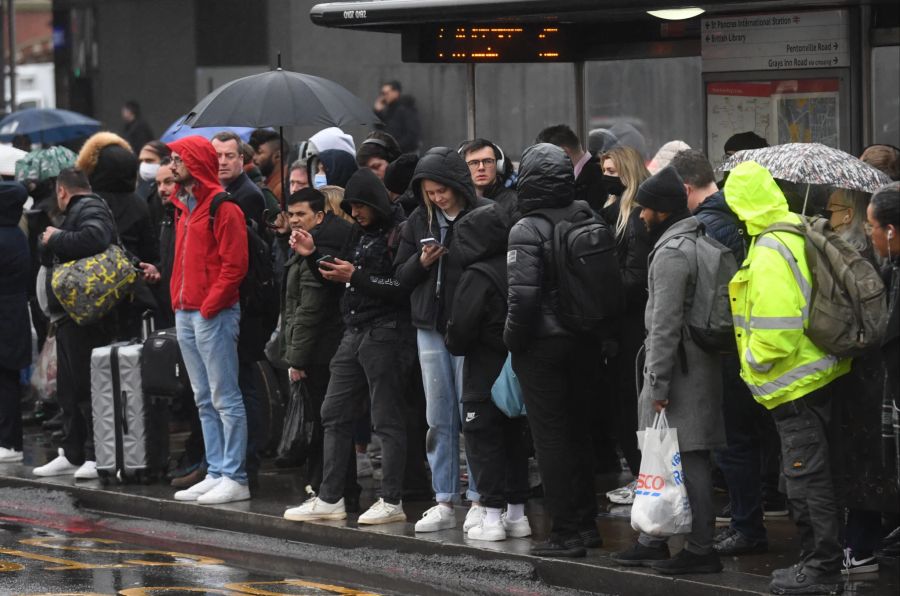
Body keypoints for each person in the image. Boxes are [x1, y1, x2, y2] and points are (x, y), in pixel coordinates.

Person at [725, 160, 851, 595]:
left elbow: (777, 329)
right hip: (816, 377)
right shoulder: (793, 232)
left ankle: (820, 570)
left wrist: (755, 365)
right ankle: (821, 564)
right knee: (816, 478)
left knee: (806, 481)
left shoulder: (770, 249)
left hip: (794, 383)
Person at [283, 168, 416, 525]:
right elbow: (338, 276)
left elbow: (400, 283)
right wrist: (314, 256)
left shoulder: (399, 231)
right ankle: (330, 497)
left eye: (361, 206)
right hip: (353, 330)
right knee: (333, 412)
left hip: (385, 332)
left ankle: (391, 499)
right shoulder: (358, 232)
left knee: (386, 418)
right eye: (351, 206)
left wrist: (355, 275)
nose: (355, 212)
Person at [670, 149, 785, 557]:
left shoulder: (708, 226)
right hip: (762, 345)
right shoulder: (744, 217)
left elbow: (710, 298)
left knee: (734, 442)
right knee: (759, 437)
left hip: (728, 348)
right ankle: (757, 516)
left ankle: (746, 526)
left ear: (685, 188)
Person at [611, 166, 725, 575]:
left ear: (661, 211)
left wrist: (655, 383)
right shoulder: (695, 238)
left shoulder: (672, 253)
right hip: (695, 365)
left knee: (689, 457)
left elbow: (663, 325)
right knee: (666, 455)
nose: (640, 217)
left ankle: (700, 549)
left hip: (679, 372)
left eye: (645, 210)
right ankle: (652, 539)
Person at [504, 143, 603, 557]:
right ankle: (587, 525)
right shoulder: (588, 215)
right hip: (586, 339)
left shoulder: (526, 228)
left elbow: (522, 299)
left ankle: (565, 533)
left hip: (542, 346)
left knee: (551, 440)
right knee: (581, 435)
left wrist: (512, 340)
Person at [394, 147, 491, 534]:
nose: (437, 198)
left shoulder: (482, 215)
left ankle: (482, 497)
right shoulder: (418, 220)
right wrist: (421, 263)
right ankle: (444, 499)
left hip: (469, 327)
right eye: (429, 192)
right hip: (429, 325)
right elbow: (398, 277)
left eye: (441, 190)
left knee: (475, 415)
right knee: (439, 417)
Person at [167, 136, 250, 505]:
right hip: (190, 310)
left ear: (194, 163)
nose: (172, 166)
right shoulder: (184, 206)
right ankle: (217, 470)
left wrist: (209, 305)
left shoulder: (223, 207)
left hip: (209, 312)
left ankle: (234, 474)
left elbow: (235, 266)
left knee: (224, 396)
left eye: (177, 159)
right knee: (204, 397)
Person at [445, 202, 532, 542]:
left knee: (484, 442)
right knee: (514, 442)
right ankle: (517, 515)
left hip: (483, 371)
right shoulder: (520, 266)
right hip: (517, 370)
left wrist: (456, 339)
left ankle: (492, 518)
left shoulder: (476, 276)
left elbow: (460, 331)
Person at [32, 168, 118, 480]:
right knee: (69, 389)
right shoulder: (83, 208)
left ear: (62, 191)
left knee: (85, 388)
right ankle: (72, 452)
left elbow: (95, 238)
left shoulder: (89, 206)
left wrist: (56, 237)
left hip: (84, 315)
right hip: (69, 315)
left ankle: (95, 455)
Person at [280, 186, 357, 495]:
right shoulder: (305, 244)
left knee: (323, 423)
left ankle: (329, 490)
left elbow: (310, 308)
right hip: (320, 346)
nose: (296, 220)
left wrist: (296, 359)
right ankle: (328, 488)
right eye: (292, 214)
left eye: (302, 214)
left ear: (320, 215)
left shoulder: (320, 244)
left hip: (320, 350)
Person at [602, 145, 653, 503]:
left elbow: (633, 276)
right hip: (622, 322)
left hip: (629, 325)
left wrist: (598, 289)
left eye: (612, 171)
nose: (607, 177)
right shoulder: (613, 209)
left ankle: (643, 476)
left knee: (630, 404)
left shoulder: (633, 217)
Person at [75, 131, 160, 340]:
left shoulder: (87, 203)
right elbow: (150, 249)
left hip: (93, 292)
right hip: (131, 293)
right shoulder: (139, 203)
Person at [0, 182, 31, 463]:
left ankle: (8, 442)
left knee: (5, 382)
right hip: (14, 315)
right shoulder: (16, 235)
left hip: (6, 318)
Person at [535, 124, 606, 211]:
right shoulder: (582, 176)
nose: (545, 164)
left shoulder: (598, 178)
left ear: (564, 152)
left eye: (546, 157)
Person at [459, 138, 517, 214]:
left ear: (499, 166)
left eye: (488, 161)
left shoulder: (515, 202)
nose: (481, 168)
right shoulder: (456, 202)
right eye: (474, 163)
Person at [374, 81, 421, 154]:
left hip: (406, 153)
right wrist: (378, 112)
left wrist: (394, 146)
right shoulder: (390, 109)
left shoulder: (406, 108)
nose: (383, 97)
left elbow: (412, 135)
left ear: (396, 93)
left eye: (386, 93)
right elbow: (381, 127)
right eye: (382, 93)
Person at [136, 140, 171, 227]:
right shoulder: (141, 188)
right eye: (142, 161)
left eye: (149, 160)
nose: (144, 165)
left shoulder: (170, 192)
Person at [250, 129, 288, 205]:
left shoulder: (282, 187)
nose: (254, 157)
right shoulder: (271, 182)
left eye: (259, 152)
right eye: (253, 152)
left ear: (277, 156)